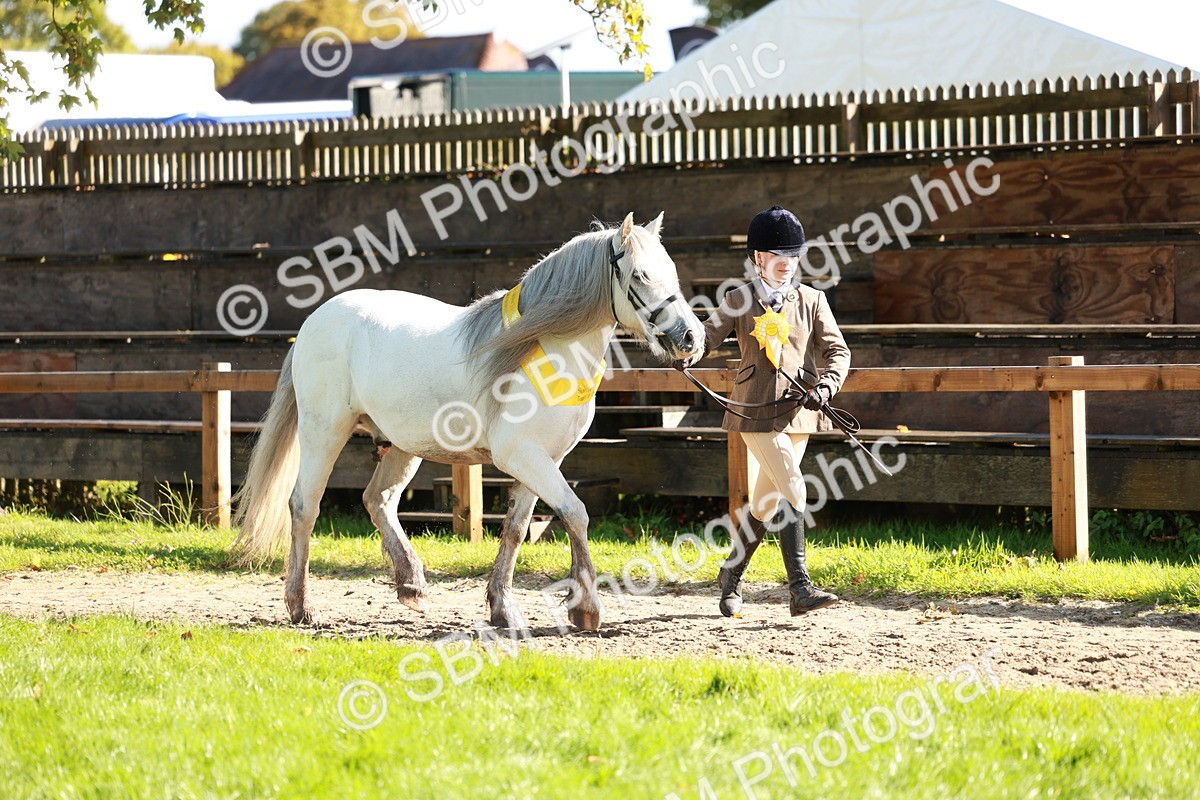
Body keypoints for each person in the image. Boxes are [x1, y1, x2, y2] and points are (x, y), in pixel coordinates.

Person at [696, 205, 851, 617]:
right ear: (757, 258)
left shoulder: (813, 300)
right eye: (778, 256)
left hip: (799, 412)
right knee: (794, 486)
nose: (787, 263)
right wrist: (680, 348)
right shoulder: (737, 299)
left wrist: (828, 386)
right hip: (753, 410)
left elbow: (838, 351)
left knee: (766, 502)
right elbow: (705, 338)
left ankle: (730, 576)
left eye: (794, 256)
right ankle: (800, 589)